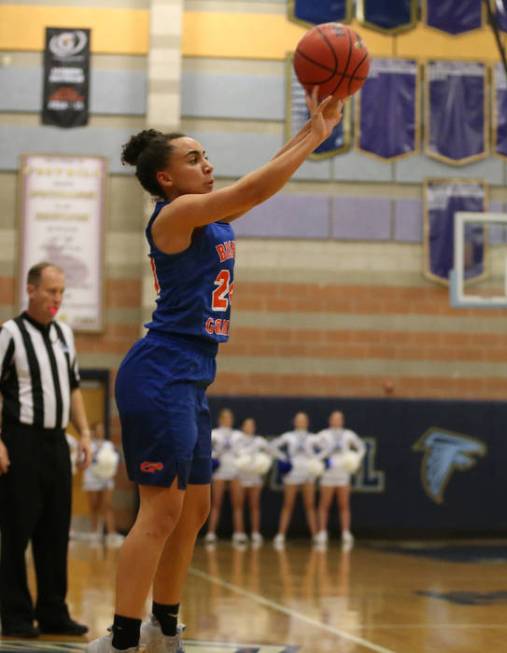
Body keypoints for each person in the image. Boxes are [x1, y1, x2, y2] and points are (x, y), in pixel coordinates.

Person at [86, 91, 345, 653]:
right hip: (160, 371)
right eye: (194, 159)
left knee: (195, 508)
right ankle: (123, 639)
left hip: (191, 373)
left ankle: (165, 626)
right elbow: (254, 189)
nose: (207, 165)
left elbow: (251, 190)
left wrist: (312, 129)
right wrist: (313, 139)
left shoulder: (207, 210)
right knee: (162, 510)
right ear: (166, 178)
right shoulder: (176, 214)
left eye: (206, 156)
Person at [0, 262, 93, 639]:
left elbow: (72, 387)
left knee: (56, 530)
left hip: (57, 444)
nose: (57, 299)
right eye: (51, 291)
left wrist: (84, 432)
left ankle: (54, 611)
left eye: (61, 293)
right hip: (21, 442)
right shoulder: (9, 334)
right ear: (31, 290)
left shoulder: (65, 335)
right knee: (16, 531)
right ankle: (16, 615)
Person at [312, 411, 366, 550]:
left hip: (343, 474)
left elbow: (361, 447)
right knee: (324, 504)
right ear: (330, 420)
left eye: (339, 419)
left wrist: (356, 459)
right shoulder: (323, 435)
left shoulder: (348, 434)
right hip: (328, 473)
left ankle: (346, 533)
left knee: (344, 504)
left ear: (343, 420)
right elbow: (311, 448)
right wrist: (320, 459)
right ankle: (322, 532)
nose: (336, 421)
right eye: (334, 419)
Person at [271, 411, 320, 549]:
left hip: (308, 472)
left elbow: (327, 448)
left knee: (310, 505)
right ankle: (281, 535)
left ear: (307, 422)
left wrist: (317, 459)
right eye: (298, 420)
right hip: (292, 472)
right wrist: (283, 457)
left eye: (303, 420)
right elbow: (272, 446)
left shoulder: (313, 438)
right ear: (294, 422)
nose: (301, 422)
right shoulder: (289, 436)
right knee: (288, 504)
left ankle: (315, 535)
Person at [230, 417, 271, 547]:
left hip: (254, 477)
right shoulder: (237, 440)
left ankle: (255, 533)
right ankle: (239, 533)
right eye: (246, 425)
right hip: (240, 476)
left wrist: (263, 462)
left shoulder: (259, 441)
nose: (249, 427)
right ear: (243, 427)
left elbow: (271, 451)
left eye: (251, 425)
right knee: (238, 505)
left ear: (254, 428)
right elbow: (232, 454)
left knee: (255, 505)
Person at [204, 408, 243, 544]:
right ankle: (211, 533)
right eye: (225, 417)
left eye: (230, 417)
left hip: (234, 471)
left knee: (237, 504)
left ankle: (238, 533)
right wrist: (215, 456)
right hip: (219, 471)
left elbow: (244, 451)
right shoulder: (214, 434)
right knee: (216, 503)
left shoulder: (238, 435)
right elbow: (206, 449)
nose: (228, 420)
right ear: (220, 419)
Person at [83, 422, 123, 547]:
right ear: (93, 431)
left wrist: (111, 471)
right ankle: (94, 533)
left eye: (102, 429)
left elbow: (115, 460)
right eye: (98, 430)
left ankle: (111, 533)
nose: (100, 432)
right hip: (91, 478)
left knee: (107, 505)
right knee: (94, 506)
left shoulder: (109, 445)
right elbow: (82, 460)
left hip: (107, 479)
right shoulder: (88, 444)